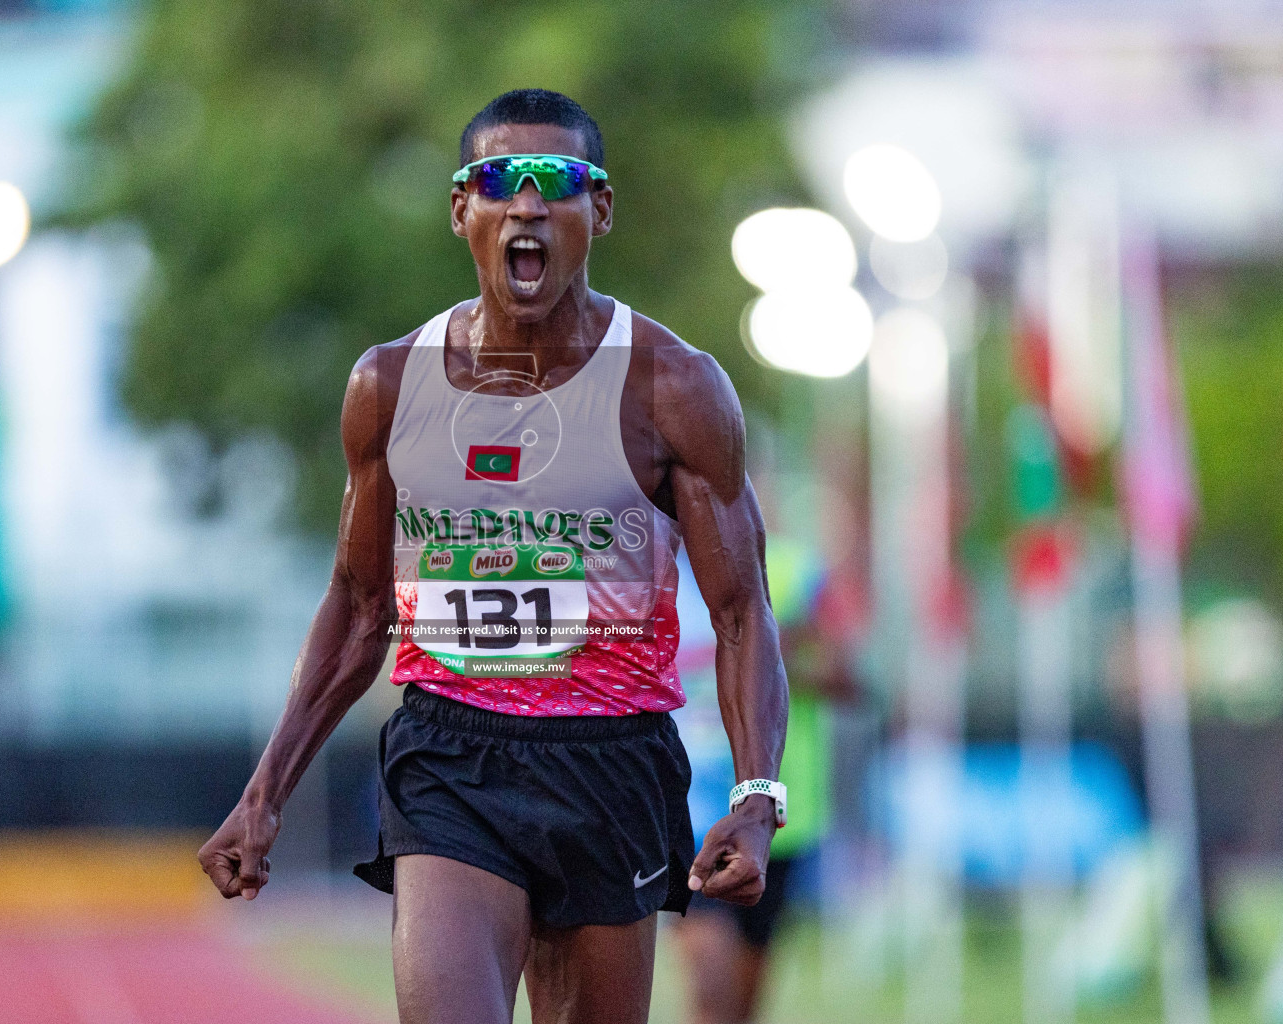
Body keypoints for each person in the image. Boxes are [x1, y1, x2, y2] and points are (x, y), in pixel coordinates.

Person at [197, 88, 790, 1024]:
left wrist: (757, 795)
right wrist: (265, 793)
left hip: (614, 761)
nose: (526, 203)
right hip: (451, 753)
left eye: (556, 180)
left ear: (598, 210)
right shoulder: (390, 385)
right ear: (460, 210)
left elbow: (741, 612)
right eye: (498, 180)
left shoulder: (672, 387)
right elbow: (358, 606)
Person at [674, 536, 857, 1024]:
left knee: (743, 1001)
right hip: (689, 814)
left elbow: (850, 679)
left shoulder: (796, 573)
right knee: (710, 983)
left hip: (775, 822)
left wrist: (770, 656)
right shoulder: (650, 573)